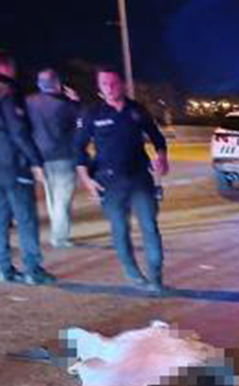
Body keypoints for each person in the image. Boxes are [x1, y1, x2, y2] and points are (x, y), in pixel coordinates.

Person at [74, 66, 169, 293]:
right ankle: (133, 272)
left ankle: (156, 277)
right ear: (99, 87)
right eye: (104, 84)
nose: (109, 88)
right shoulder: (93, 113)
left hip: (140, 179)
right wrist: (86, 180)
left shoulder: (137, 110)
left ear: (123, 84)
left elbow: (157, 138)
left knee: (150, 227)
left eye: (113, 83)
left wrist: (162, 158)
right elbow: (78, 149)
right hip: (109, 181)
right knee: (120, 229)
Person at [0, 50, 55, 285]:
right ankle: (33, 269)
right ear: (7, 67)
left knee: (0, 220)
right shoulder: (8, 90)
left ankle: (4, 269)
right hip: (14, 165)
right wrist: (35, 161)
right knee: (26, 219)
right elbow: (18, 131)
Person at [26, 68, 80, 248]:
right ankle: (60, 237)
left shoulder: (29, 102)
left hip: (41, 158)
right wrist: (75, 101)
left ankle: (59, 233)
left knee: (52, 199)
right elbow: (81, 121)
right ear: (57, 83)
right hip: (64, 156)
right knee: (62, 199)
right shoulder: (65, 104)